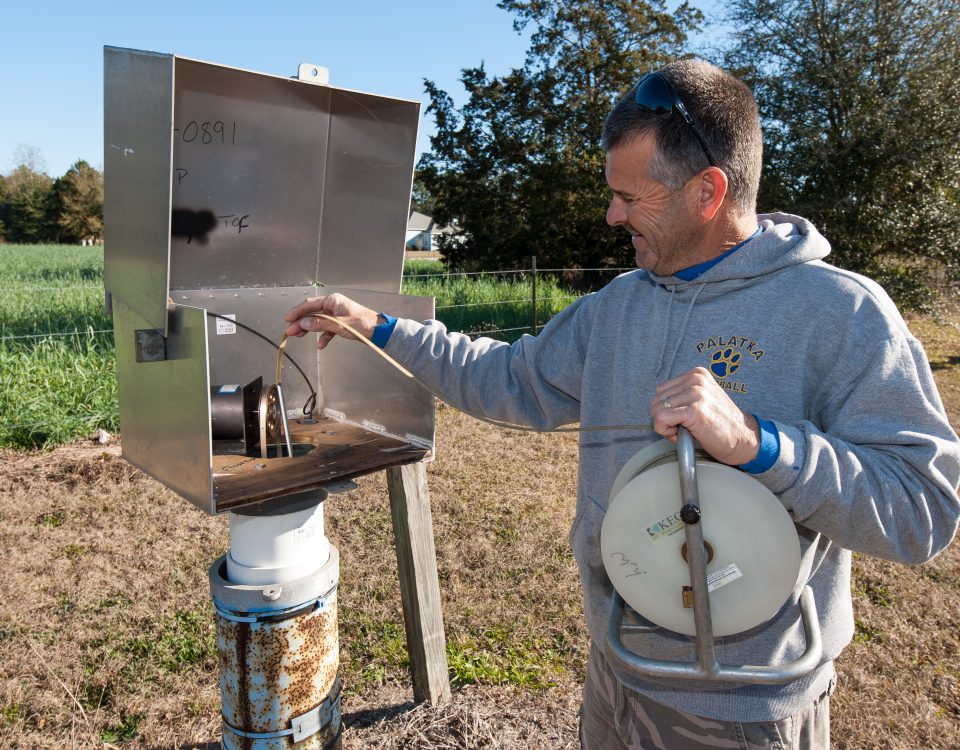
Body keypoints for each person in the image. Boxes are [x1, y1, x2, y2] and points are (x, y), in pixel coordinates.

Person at [284, 60, 960, 749]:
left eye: (631, 197)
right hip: (616, 672)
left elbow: (922, 513)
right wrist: (376, 326)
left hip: (743, 710)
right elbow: (508, 379)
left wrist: (761, 444)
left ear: (708, 191)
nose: (612, 216)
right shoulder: (618, 307)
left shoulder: (839, 313)